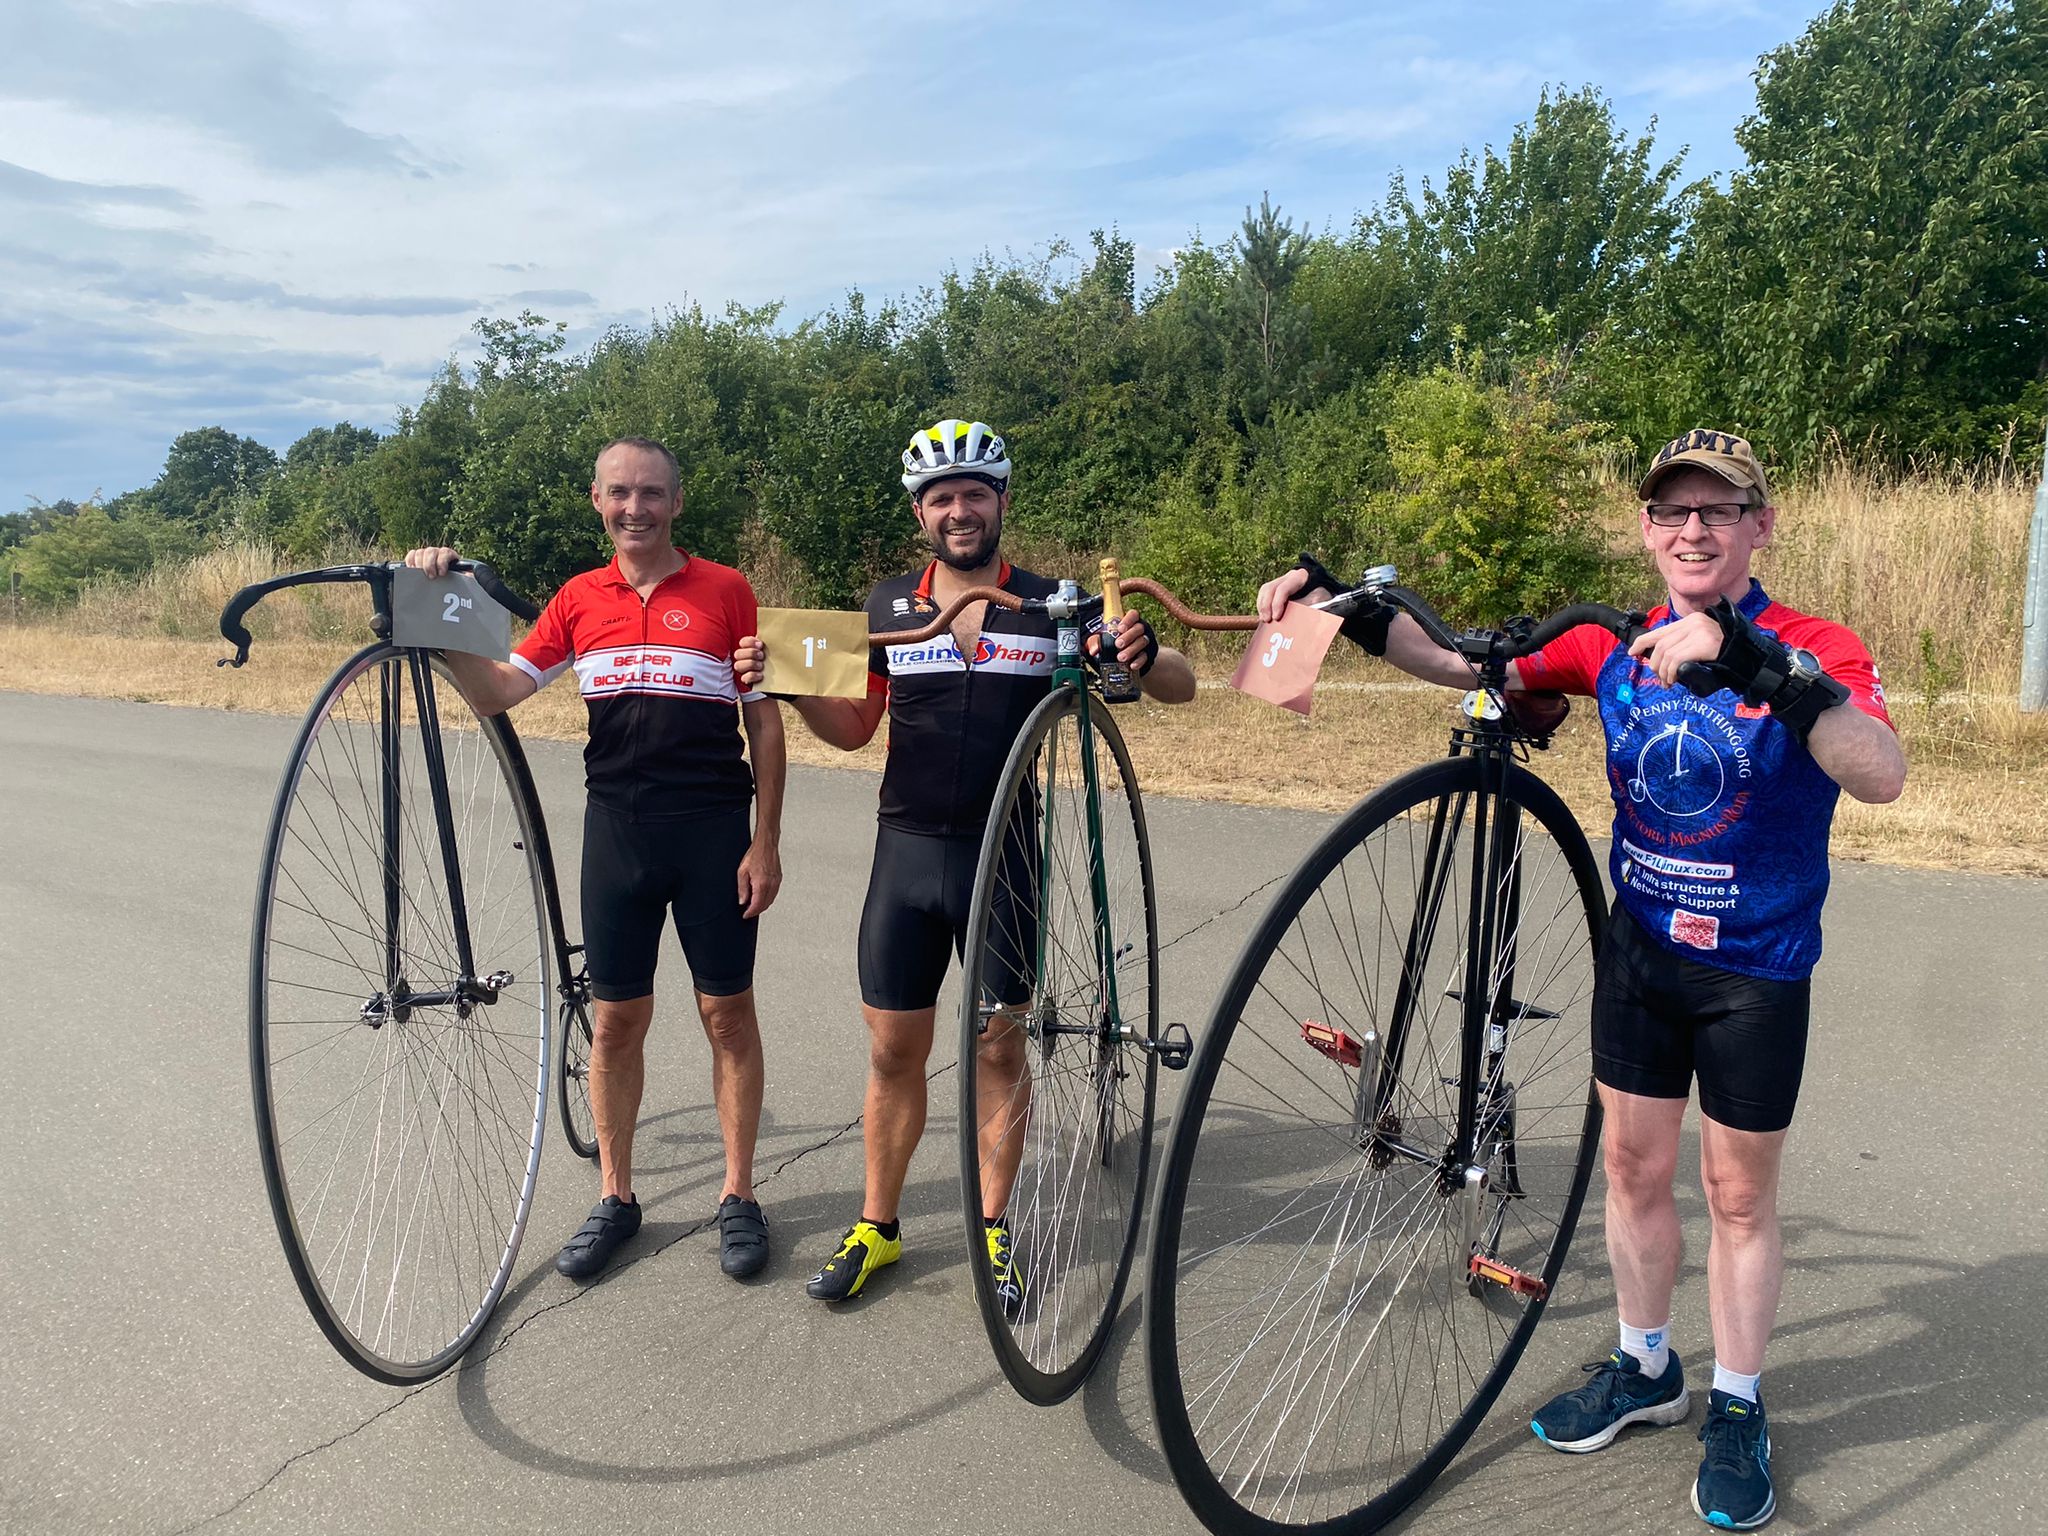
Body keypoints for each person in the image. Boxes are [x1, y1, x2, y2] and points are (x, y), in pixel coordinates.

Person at [1258, 429, 1904, 1530]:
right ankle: (1643, 1368)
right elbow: (1471, 665)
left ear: (1760, 524)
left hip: (1752, 969)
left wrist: (1755, 665)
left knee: (1738, 1195)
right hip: (1641, 956)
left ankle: (1737, 1405)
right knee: (1630, 1169)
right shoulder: (1616, 641)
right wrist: (1353, 612)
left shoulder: (1814, 644)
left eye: (1716, 509)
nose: (1690, 529)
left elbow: (1876, 771)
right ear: (1645, 528)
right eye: (1669, 512)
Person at [737, 418, 1195, 1306]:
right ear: (920, 514)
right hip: (904, 861)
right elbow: (853, 729)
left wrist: (1146, 649)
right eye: (940, 497)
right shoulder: (884, 609)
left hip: (1009, 859)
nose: (958, 510)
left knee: (998, 1050)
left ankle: (994, 1229)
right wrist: (787, 684)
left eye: (974, 493)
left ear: (1001, 502)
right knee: (893, 1052)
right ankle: (879, 1227)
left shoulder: (1052, 603)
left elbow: (1168, 686)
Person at [405, 436, 785, 1283]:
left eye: (652, 493)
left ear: (676, 502)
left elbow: (763, 720)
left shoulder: (727, 591)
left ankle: (739, 1195)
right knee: (616, 1022)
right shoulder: (580, 598)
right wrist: (440, 613)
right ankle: (616, 1197)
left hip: (713, 831)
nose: (635, 509)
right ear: (597, 500)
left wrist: (766, 840)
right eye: (620, 493)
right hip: (617, 834)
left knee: (727, 1016)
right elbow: (500, 690)